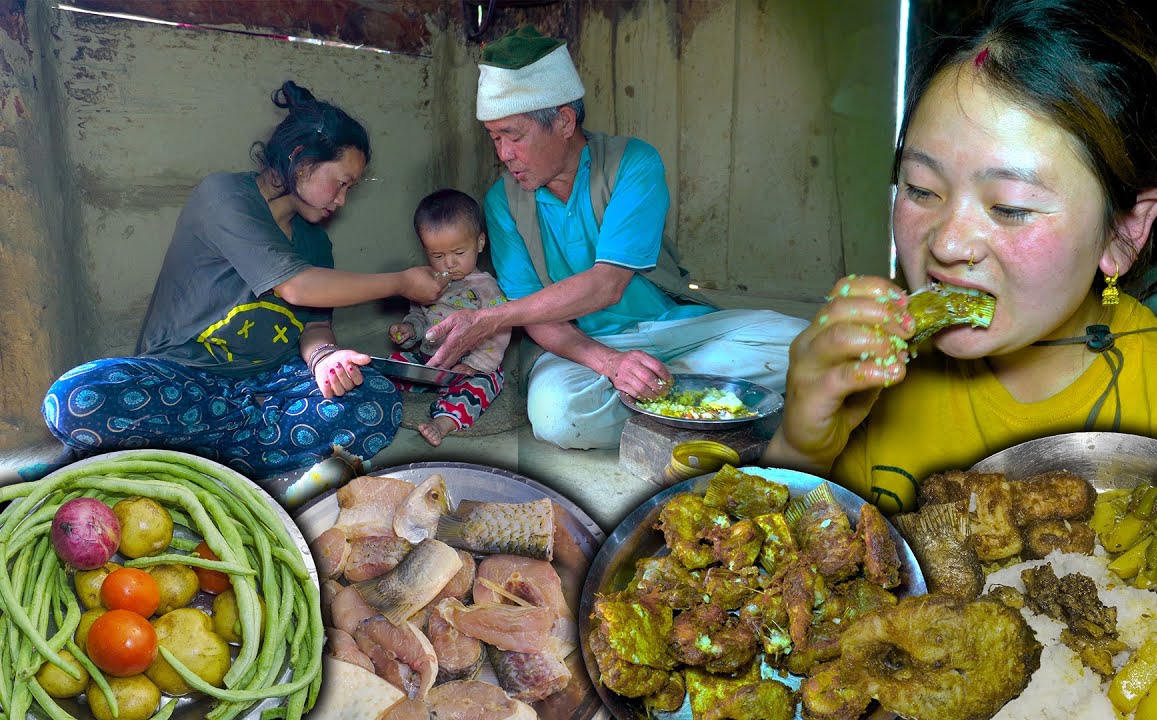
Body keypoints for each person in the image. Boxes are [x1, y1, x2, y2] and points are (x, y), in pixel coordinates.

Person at [761, 0, 1157, 512]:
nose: (947, 244)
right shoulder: (876, 384)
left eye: (1009, 208)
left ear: (1123, 232)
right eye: (921, 189)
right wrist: (801, 450)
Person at [421, 25, 809, 449]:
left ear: (564, 121)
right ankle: (701, 400)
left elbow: (608, 284)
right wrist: (611, 362)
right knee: (558, 416)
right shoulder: (502, 202)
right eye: (494, 138)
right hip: (584, 349)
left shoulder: (633, 163)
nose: (503, 154)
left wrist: (490, 318)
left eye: (514, 136)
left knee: (803, 343)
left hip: (675, 330)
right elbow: (535, 316)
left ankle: (662, 390)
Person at [42, 80, 449, 479]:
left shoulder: (315, 243)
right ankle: (233, 455)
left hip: (269, 388)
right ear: (300, 161)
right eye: (341, 183)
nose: (341, 199)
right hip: (186, 381)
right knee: (76, 399)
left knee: (376, 401)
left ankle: (187, 456)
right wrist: (399, 282)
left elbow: (316, 324)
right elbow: (297, 287)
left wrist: (324, 357)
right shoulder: (223, 196)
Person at [388, 189, 511, 446]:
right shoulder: (426, 282)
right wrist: (411, 329)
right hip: (430, 362)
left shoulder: (485, 287)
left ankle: (444, 421)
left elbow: (501, 330)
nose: (449, 264)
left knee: (480, 389)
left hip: (473, 367)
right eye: (438, 256)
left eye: (459, 253)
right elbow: (420, 315)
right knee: (392, 364)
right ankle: (399, 390)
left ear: (479, 243)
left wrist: (476, 364)